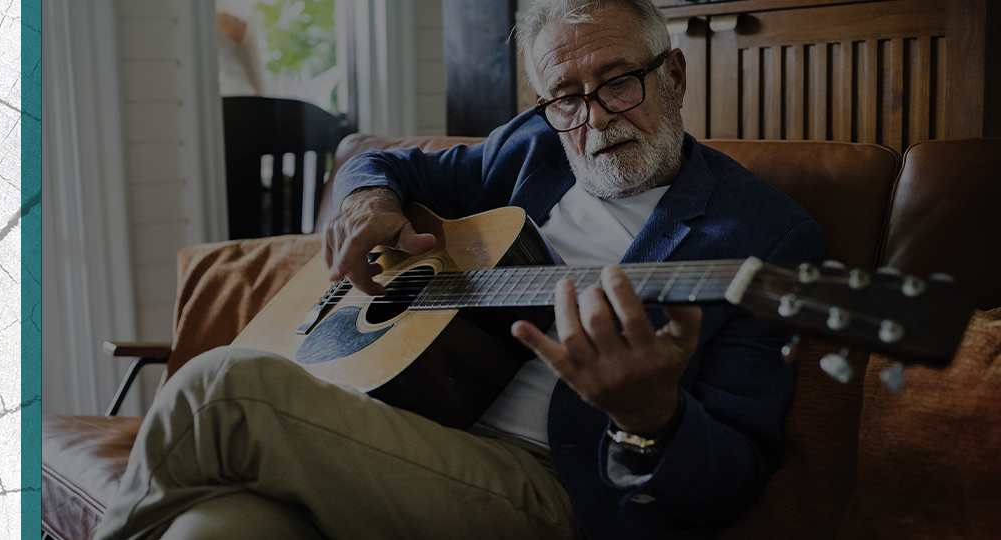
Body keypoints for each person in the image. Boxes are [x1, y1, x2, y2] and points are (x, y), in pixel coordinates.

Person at [95, 0, 823, 538]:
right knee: (213, 531)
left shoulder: (764, 236)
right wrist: (368, 199)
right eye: (567, 96)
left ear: (674, 74)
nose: (594, 118)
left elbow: (735, 472)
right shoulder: (533, 147)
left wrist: (651, 418)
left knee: (225, 386)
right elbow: (382, 161)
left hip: (550, 483)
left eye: (619, 81)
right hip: (398, 424)